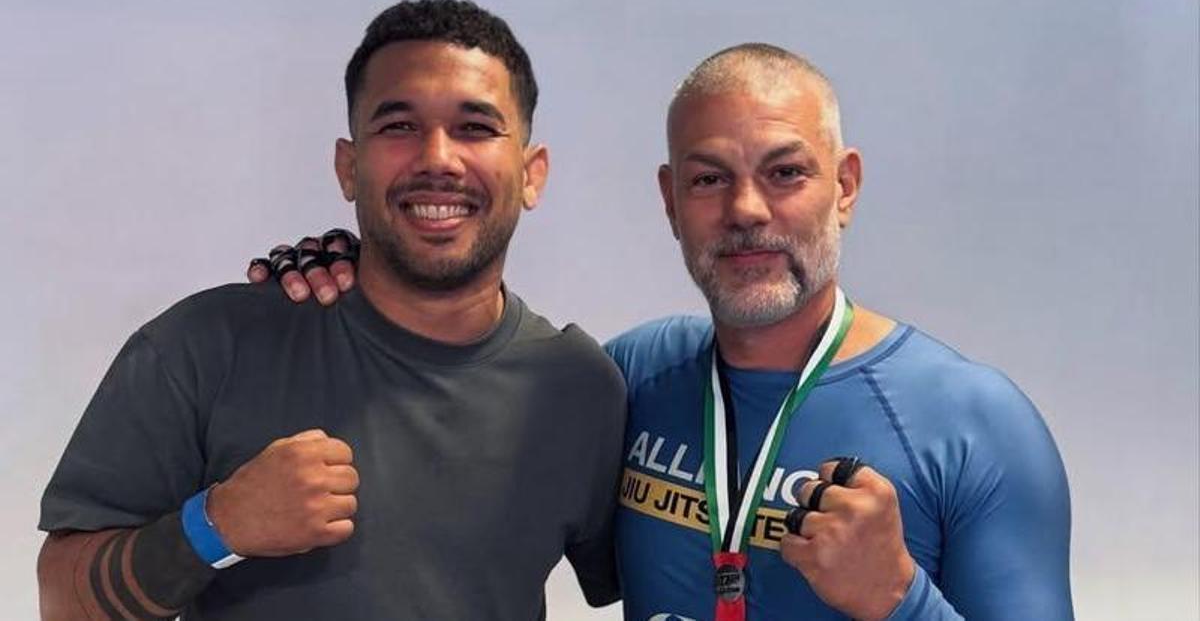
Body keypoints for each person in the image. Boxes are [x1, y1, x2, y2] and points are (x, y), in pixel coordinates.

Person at [265, 44, 1074, 620]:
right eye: (708, 178)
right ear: (670, 199)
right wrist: (362, 267)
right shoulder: (629, 378)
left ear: (846, 186)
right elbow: (465, 383)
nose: (746, 209)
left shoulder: (976, 422)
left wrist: (900, 600)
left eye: (785, 173)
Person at [37, 0, 626, 621]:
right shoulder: (206, 346)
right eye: (398, 126)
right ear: (349, 167)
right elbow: (61, 600)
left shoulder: (581, 388)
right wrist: (215, 528)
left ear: (532, 174)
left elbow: (657, 580)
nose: (437, 157)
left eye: (475, 127)